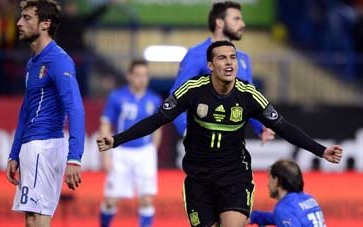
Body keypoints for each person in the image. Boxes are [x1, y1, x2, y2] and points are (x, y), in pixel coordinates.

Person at [97, 40, 343, 227]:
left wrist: (321, 150)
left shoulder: (249, 95)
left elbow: (284, 127)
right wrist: (117, 140)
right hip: (198, 179)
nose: (229, 63)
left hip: (234, 177)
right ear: (210, 65)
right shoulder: (192, 90)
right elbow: (156, 120)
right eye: (222, 58)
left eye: (233, 58)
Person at [5, 1, 85, 226]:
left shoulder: (58, 60)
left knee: (39, 219)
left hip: (45, 144)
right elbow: (26, 110)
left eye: (27, 18)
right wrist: (14, 153)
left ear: (45, 24)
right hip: (31, 147)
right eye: (21, 17)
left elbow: (75, 108)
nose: (19, 23)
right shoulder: (33, 63)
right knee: (31, 220)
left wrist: (75, 158)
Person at [170, 1, 274, 143]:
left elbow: (249, 99)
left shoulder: (242, 58)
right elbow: (176, 96)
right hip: (203, 143)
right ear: (219, 22)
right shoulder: (197, 54)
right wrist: (187, 130)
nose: (242, 24)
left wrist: (260, 127)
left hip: (233, 143)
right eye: (236, 19)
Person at [99, 60, 162, 227]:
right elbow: (105, 125)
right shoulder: (116, 97)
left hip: (145, 152)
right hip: (121, 152)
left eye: (145, 75)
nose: (142, 79)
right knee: (111, 201)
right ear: (129, 76)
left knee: (146, 200)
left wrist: (152, 152)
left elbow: (158, 128)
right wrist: (106, 156)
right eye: (138, 75)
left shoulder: (154, 99)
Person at [249, 159, 326, 227]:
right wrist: (254, 216)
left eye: (269, 178)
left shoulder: (284, 208)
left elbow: (284, 215)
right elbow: (280, 217)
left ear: (276, 180)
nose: (268, 185)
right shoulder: (308, 198)